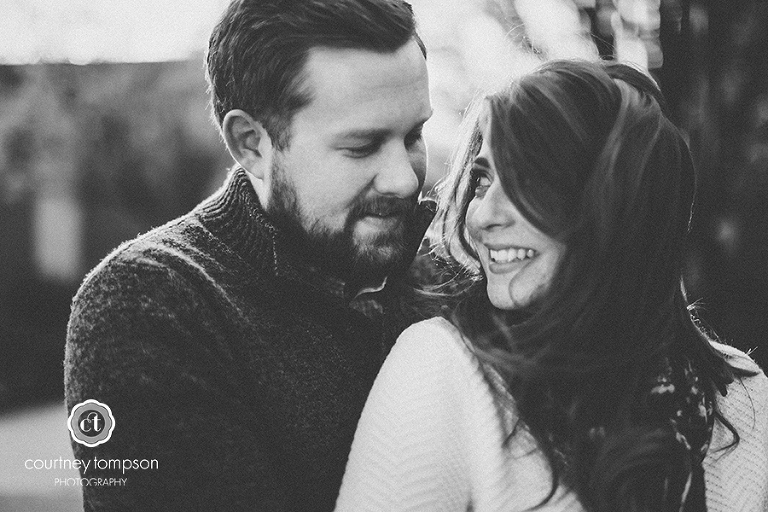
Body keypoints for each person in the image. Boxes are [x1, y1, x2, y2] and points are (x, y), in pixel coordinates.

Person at [335, 60, 768, 512]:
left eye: (526, 182)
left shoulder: (741, 396)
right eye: (482, 181)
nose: (483, 216)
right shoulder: (443, 370)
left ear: (619, 204)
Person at [64, 1, 433, 510]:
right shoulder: (152, 301)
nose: (405, 179)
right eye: (362, 146)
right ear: (251, 143)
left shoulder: (447, 273)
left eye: (414, 135)